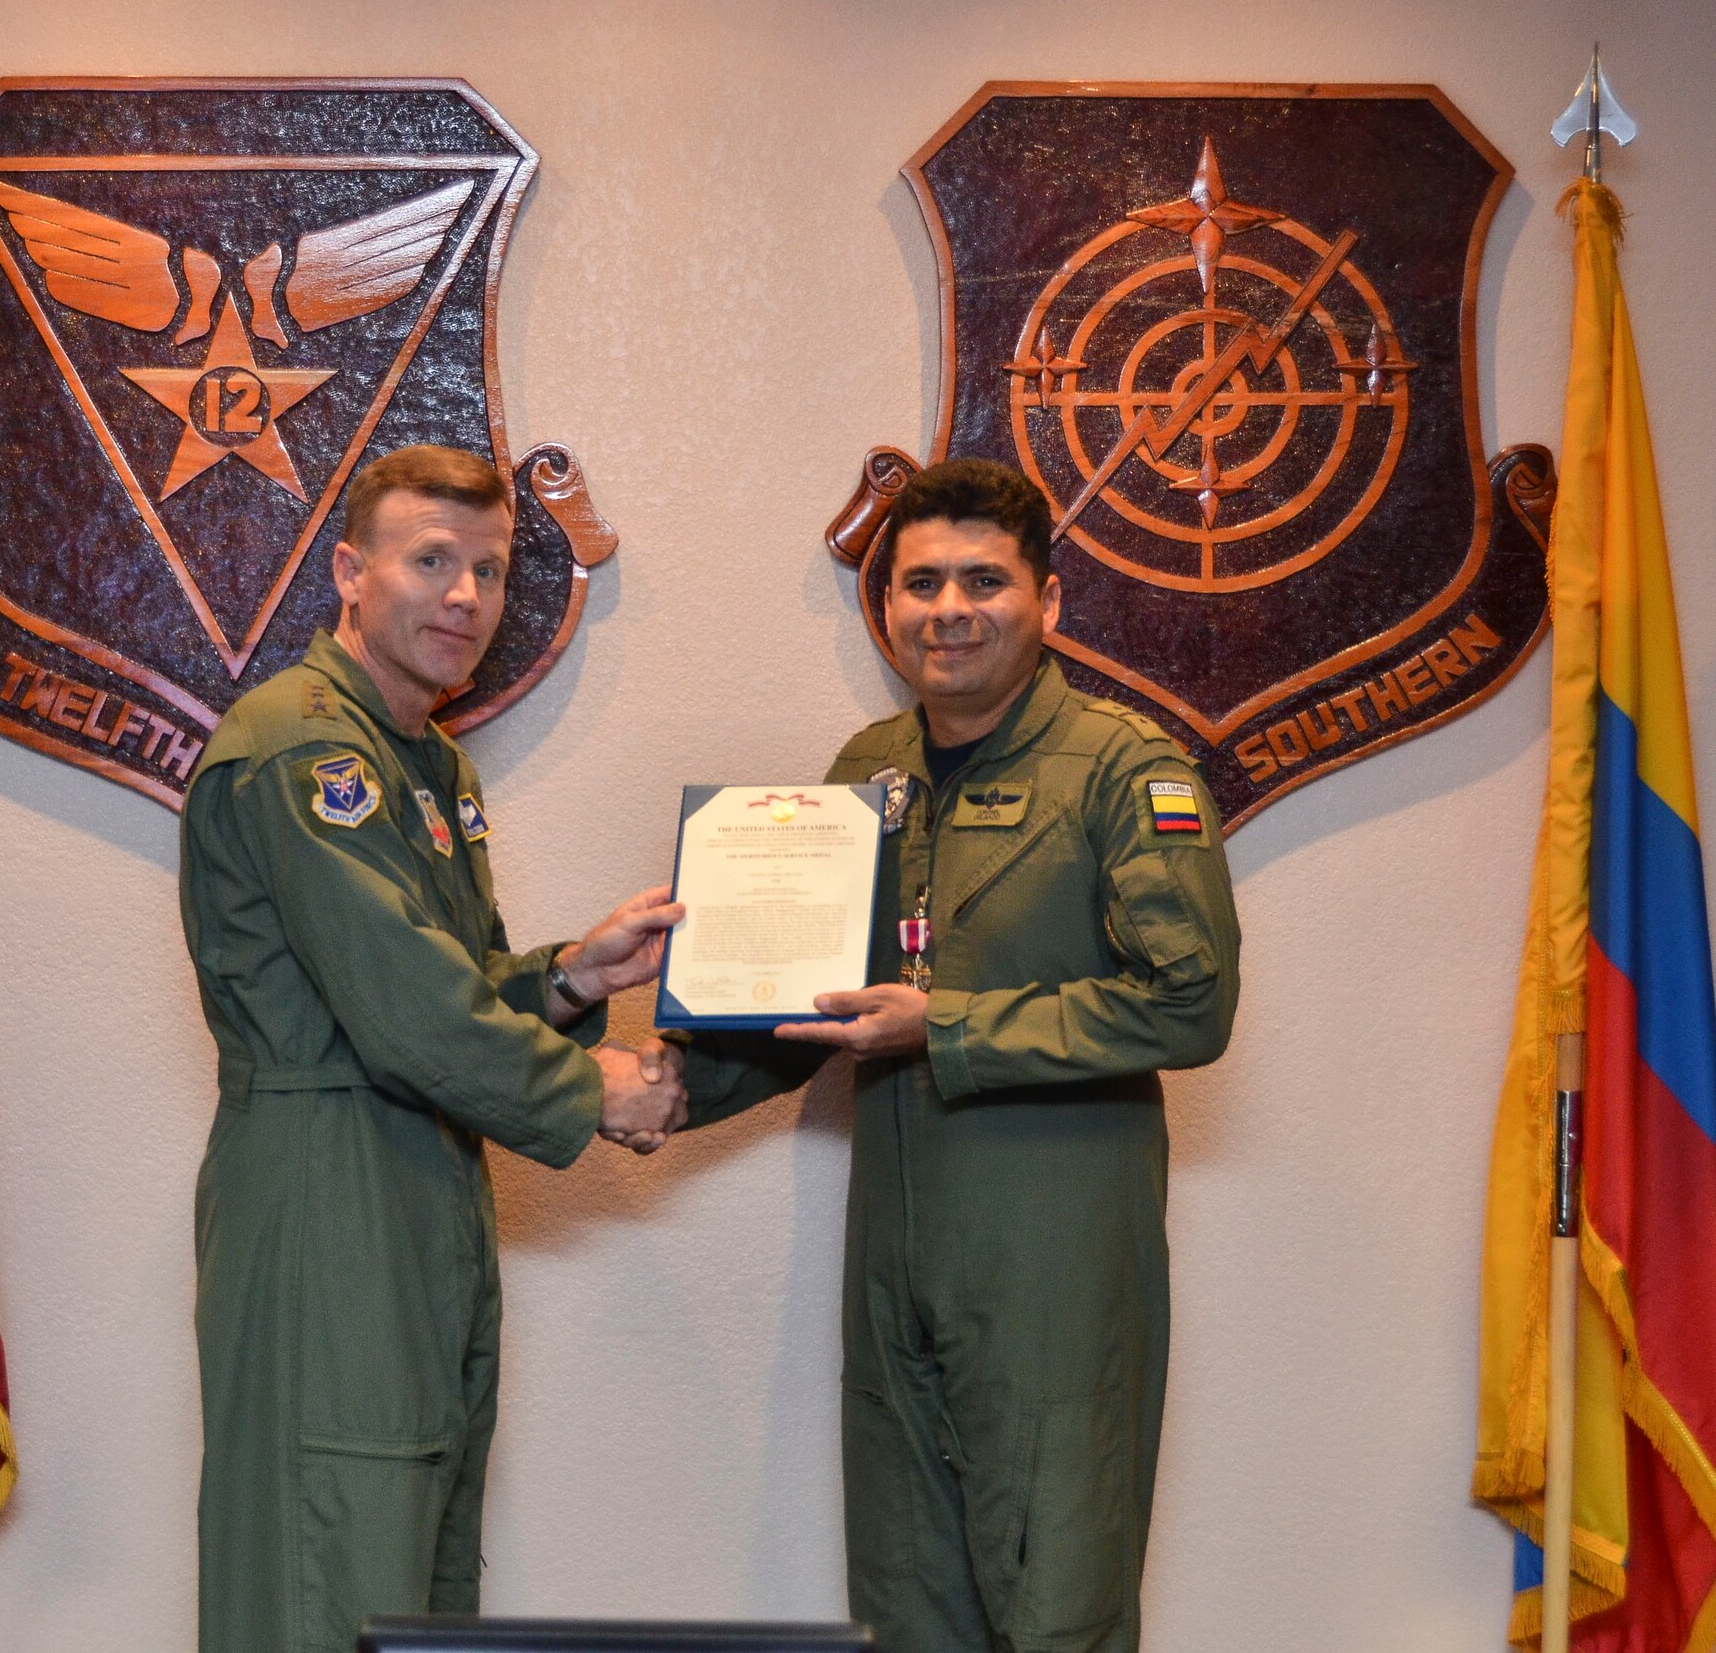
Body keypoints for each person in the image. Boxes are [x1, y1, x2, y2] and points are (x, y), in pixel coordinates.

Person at [633, 458, 1240, 1653]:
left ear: (1047, 601)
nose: (946, 608)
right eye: (918, 583)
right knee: (905, 1604)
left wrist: (947, 1023)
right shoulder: (869, 770)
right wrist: (663, 1086)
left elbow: (1191, 1004)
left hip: (1053, 1264)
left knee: (1055, 1602)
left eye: (981, 579)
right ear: (887, 607)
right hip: (894, 1253)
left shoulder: (1126, 769)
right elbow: (809, 1008)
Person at [179, 444, 686, 1653]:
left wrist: (568, 979)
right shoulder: (307, 750)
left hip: (415, 1188)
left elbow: (440, 984)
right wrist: (594, 1089)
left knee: (412, 1580)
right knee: (328, 1575)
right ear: (352, 573)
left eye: (490, 571)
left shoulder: (422, 759)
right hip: (327, 1196)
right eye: (431, 561)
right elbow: (406, 1016)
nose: (465, 595)